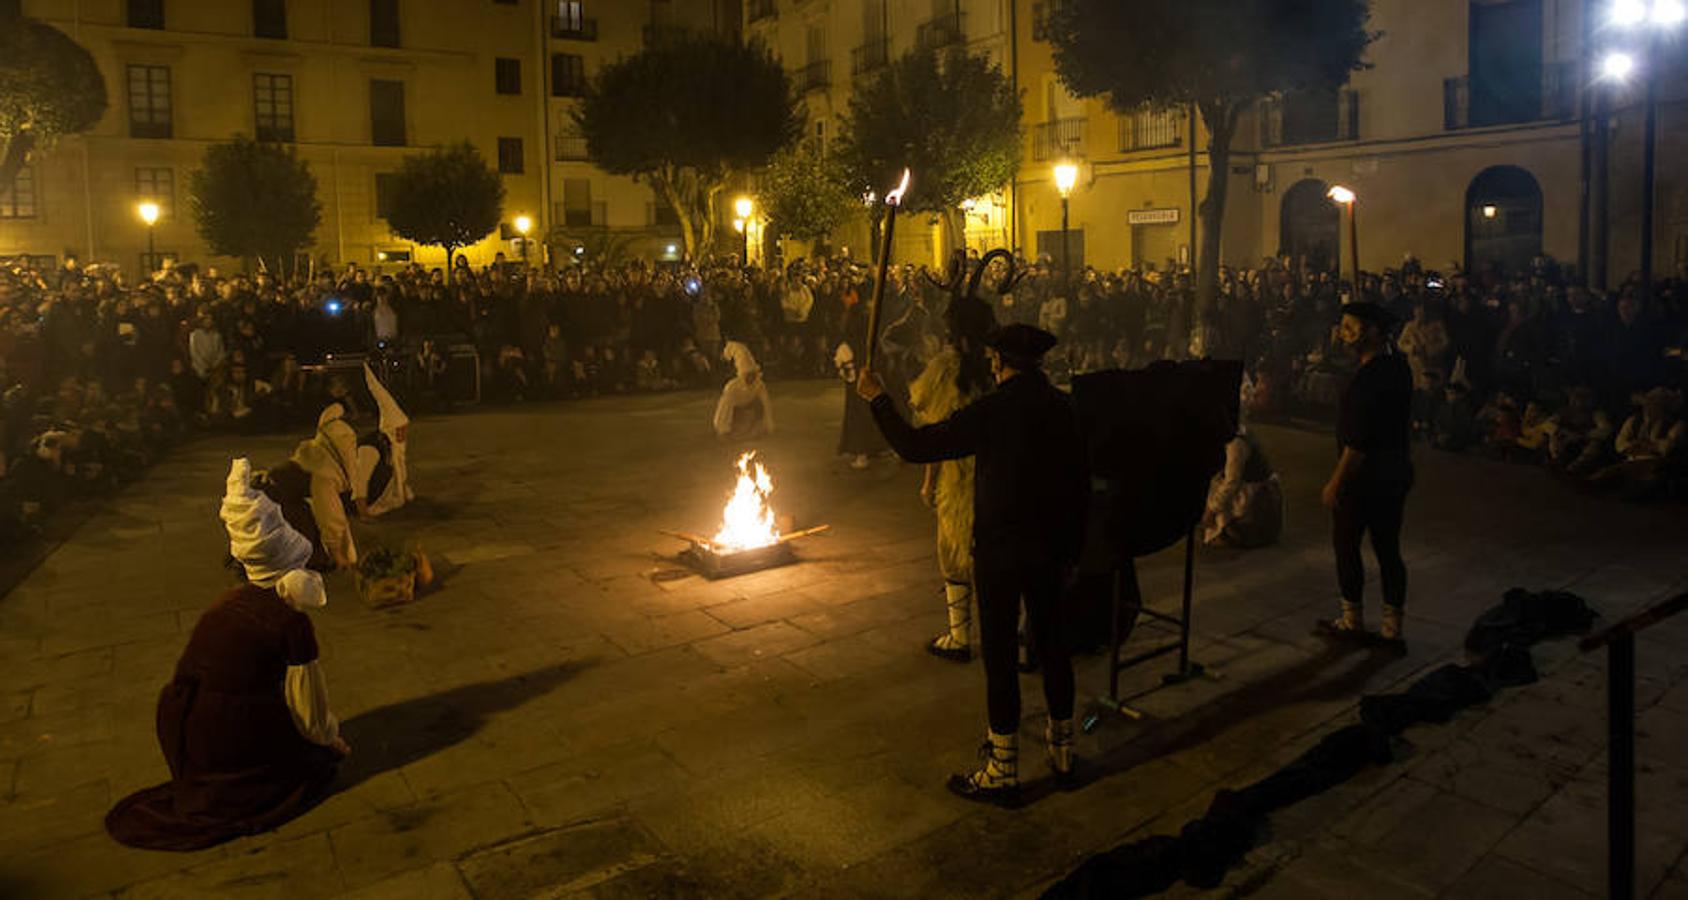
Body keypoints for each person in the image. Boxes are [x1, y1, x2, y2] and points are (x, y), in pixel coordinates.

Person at [857, 323, 1089, 807]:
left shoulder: (992, 411)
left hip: (1002, 553)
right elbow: (1079, 486)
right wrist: (1072, 551)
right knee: (1052, 647)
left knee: (1001, 657)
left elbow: (916, 447)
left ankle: (1003, 769)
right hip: (1050, 551)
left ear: (1000, 363)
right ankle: (1063, 752)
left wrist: (878, 399)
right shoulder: (1064, 408)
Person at [105, 459, 347, 850]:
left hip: (186, 730)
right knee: (318, 768)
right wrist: (328, 739)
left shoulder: (229, 602)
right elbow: (309, 709)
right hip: (233, 732)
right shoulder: (289, 621)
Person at [905, 291, 997, 661]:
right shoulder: (999, 363)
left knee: (955, 555)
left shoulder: (947, 370)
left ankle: (960, 638)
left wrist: (928, 482)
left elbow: (935, 432)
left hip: (960, 480)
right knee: (999, 557)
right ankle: (1020, 636)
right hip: (1000, 474)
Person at [1318, 302, 1413, 647]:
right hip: (1396, 473)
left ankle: (1352, 619)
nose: (1343, 334)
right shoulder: (1397, 367)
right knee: (1388, 548)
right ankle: (1392, 627)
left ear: (1372, 331)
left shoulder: (1371, 380)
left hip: (1366, 477)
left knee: (1347, 545)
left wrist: (1335, 482)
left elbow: (1357, 444)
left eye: (1349, 327)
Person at [1201, 421, 1284, 549]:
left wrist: (1211, 510)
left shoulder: (1235, 443)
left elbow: (1232, 482)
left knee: (1218, 490)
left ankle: (1230, 532)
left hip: (1257, 497)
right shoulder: (1235, 433)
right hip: (1253, 489)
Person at [713, 341, 774, 443]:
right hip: (735, 411)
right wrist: (722, 430)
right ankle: (731, 429)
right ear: (742, 375)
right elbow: (724, 408)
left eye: (752, 374)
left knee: (758, 406)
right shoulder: (732, 387)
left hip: (748, 408)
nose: (751, 378)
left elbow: (766, 404)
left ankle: (751, 429)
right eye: (748, 375)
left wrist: (769, 426)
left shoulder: (759, 385)